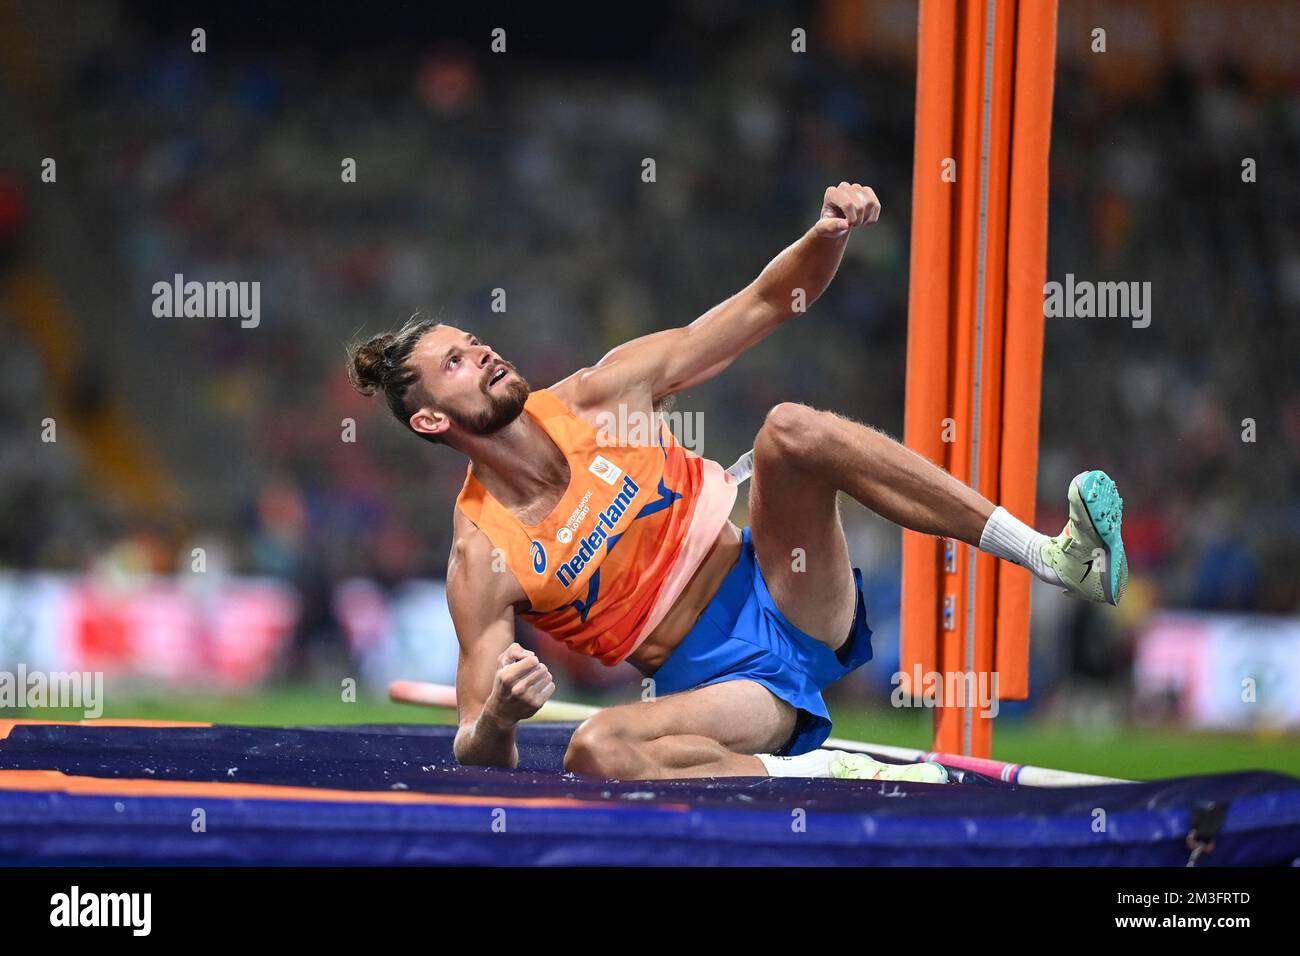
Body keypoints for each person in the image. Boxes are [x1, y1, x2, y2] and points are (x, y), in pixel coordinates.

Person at [347, 182, 1127, 782]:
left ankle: (1056, 557)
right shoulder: (482, 552)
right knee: (595, 747)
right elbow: (476, 752)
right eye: (453, 363)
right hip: (719, 685)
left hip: (787, 589)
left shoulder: (600, 394)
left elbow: (765, 304)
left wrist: (826, 235)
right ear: (429, 421)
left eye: (473, 343)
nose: (480, 355)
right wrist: (505, 718)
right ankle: (816, 774)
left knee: (789, 428)